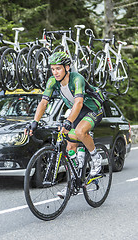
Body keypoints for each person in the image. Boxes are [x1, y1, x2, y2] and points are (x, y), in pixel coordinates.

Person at [25, 52, 104, 198]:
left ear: (67, 67)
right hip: (77, 112)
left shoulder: (77, 79)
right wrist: (34, 122)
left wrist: (68, 121)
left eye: (58, 68)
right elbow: (43, 102)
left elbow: (79, 102)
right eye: (53, 69)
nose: (55, 72)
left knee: (80, 132)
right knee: (69, 146)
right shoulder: (52, 81)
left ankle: (96, 158)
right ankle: (74, 181)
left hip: (93, 109)